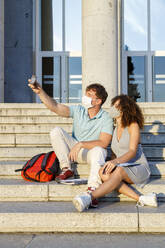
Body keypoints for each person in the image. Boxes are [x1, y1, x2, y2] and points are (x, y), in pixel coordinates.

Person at [28, 79, 113, 206]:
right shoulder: (79, 110)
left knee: (100, 150)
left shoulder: (106, 117)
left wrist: (81, 144)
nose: (85, 97)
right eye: (86, 94)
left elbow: (104, 142)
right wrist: (40, 92)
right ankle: (66, 168)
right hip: (75, 151)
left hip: (91, 153)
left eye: (89, 95)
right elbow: (55, 107)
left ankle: (93, 190)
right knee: (56, 131)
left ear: (98, 101)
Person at [73, 94, 158, 212]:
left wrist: (115, 162)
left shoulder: (133, 125)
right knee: (103, 172)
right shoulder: (115, 128)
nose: (112, 108)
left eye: (116, 106)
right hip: (123, 166)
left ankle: (89, 197)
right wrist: (110, 163)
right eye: (113, 105)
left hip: (138, 167)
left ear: (124, 108)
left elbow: (132, 151)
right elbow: (114, 153)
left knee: (118, 171)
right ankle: (141, 198)